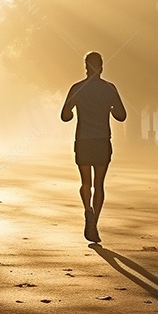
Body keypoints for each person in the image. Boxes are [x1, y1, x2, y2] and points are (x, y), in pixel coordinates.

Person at [60, 51, 127, 243]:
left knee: (85, 183)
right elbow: (122, 116)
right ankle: (94, 222)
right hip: (102, 140)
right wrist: (111, 108)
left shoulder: (77, 88)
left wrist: (74, 110)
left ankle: (87, 210)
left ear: (86, 66)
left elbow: (65, 116)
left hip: (83, 140)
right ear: (102, 66)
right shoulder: (110, 89)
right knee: (99, 184)